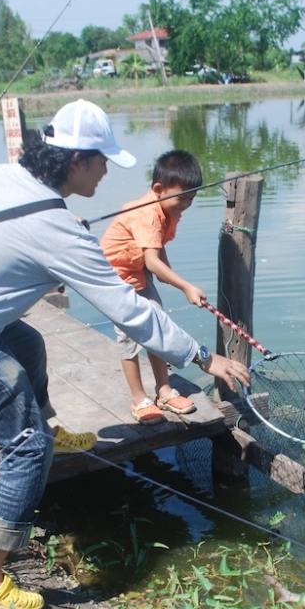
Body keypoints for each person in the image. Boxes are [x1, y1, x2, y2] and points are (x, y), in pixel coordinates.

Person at [0, 98, 249, 609]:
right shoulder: (55, 229)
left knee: (29, 343)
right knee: (25, 447)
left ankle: (50, 435)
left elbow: (7, 240)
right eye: (103, 160)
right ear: (77, 160)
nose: (107, 171)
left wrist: (58, 241)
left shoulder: (3, 179)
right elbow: (127, 309)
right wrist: (202, 357)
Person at [100, 150, 206, 424]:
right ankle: (139, 399)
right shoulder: (147, 214)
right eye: (182, 198)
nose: (186, 205)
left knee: (157, 325)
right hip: (115, 280)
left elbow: (156, 252)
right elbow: (152, 260)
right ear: (159, 189)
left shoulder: (168, 208)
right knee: (128, 339)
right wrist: (185, 286)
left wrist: (165, 275)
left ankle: (164, 391)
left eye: (192, 199)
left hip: (139, 272)